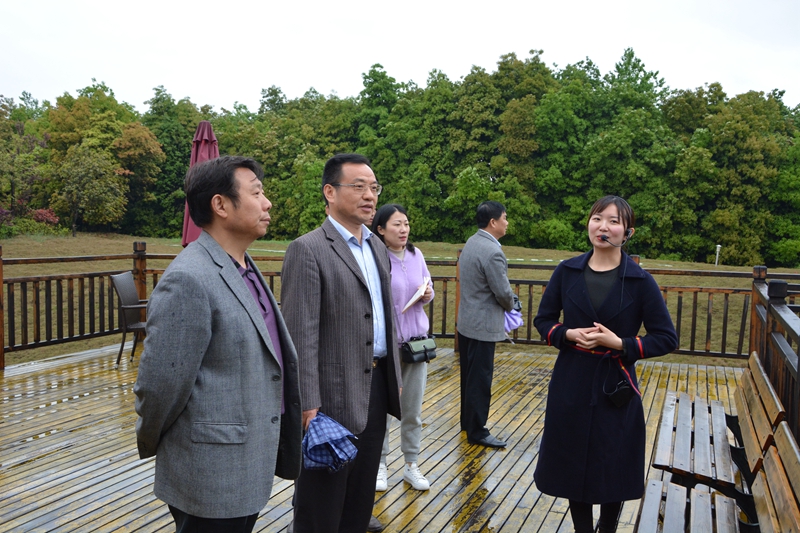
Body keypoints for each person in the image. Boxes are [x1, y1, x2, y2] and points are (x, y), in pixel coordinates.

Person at [134, 156, 302, 533]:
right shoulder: (189, 279)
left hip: (247, 463)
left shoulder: (244, 267)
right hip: (209, 474)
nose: (267, 202)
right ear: (220, 205)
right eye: (256, 193)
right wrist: (153, 438)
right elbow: (160, 385)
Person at [533, 195, 678, 533]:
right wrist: (567, 334)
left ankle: (608, 527)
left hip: (617, 384)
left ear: (627, 232)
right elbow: (543, 321)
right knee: (574, 460)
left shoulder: (640, 280)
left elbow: (666, 338)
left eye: (614, 221)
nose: (604, 227)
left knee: (613, 461)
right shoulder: (567, 271)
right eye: (598, 218)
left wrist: (621, 344)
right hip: (571, 381)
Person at [281, 153, 402, 533]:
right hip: (329, 397)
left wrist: (395, 376)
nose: (370, 195)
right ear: (330, 192)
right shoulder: (309, 248)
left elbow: (385, 316)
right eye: (359, 186)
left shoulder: (377, 247)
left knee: (359, 499)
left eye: (374, 187)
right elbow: (300, 332)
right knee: (321, 505)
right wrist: (308, 401)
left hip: (376, 386)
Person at [372, 204, 434, 492]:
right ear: (381, 229)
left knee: (412, 409)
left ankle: (411, 464)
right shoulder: (376, 257)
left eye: (406, 224)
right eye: (396, 224)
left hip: (415, 345)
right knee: (382, 409)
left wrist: (427, 293)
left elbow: (427, 287)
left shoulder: (416, 254)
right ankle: (379, 464)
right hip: (387, 348)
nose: (403, 229)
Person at [457, 200, 517, 448]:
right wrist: (512, 305)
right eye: (504, 218)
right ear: (493, 222)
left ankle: (467, 422)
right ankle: (478, 431)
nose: (507, 222)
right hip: (482, 326)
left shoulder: (472, 242)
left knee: (469, 377)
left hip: (466, 323)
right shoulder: (493, 252)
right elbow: (502, 292)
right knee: (480, 381)